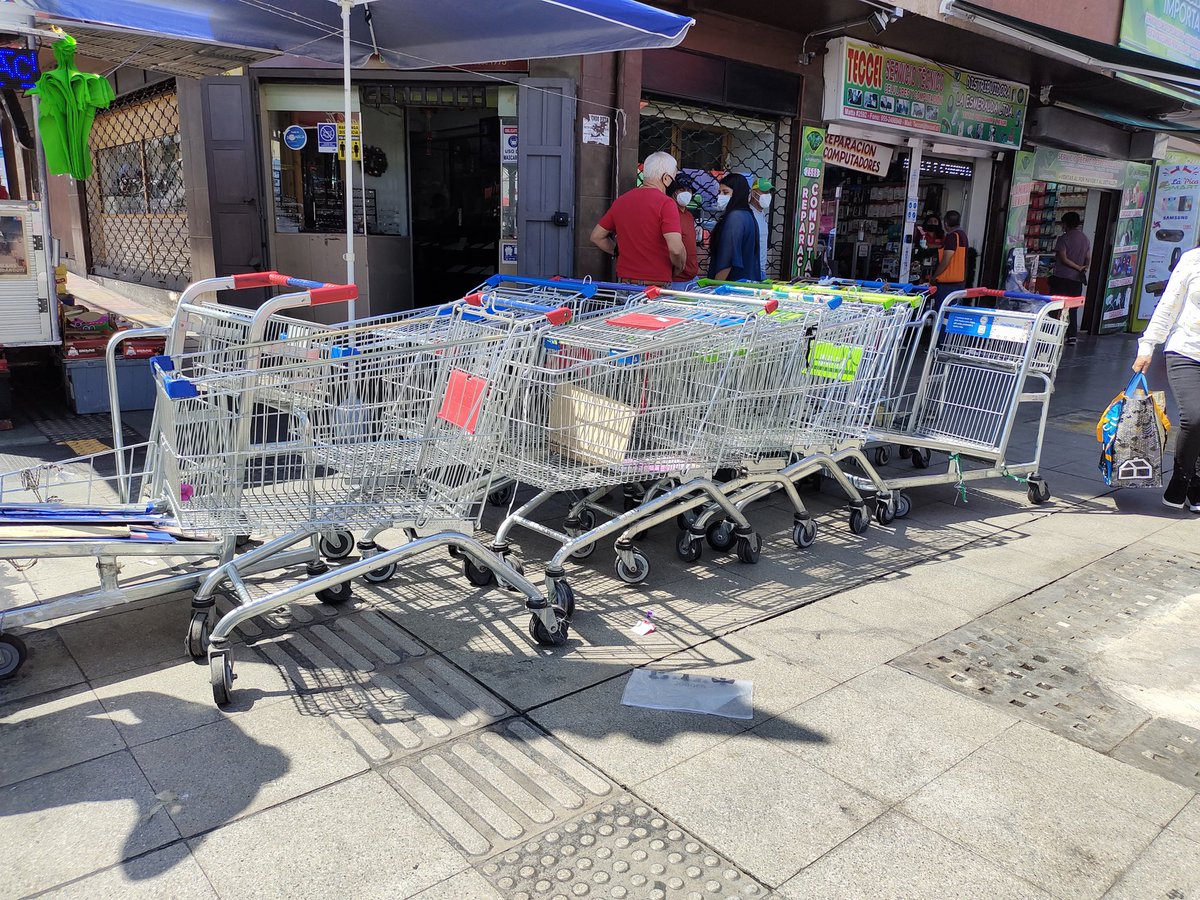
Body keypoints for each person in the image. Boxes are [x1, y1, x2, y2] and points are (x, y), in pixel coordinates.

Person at [1132, 245, 1200, 511]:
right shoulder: (1193, 260)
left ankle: (1197, 483)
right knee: (1195, 417)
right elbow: (1168, 305)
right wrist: (1147, 346)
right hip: (1187, 351)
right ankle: (1181, 479)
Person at [590, 151, 687, 286]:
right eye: (673, 178)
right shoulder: (666, 203)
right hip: (655, 286)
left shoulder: (622, 201)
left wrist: (618, 252)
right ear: (665, 178)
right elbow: (676, 249)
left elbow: (596, 236)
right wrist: (679, 266)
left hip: (624, 284)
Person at [706, 173, 762, 282]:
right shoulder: (748, 215)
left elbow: (727, 259)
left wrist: (715, 287)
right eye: (719, 192)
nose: (721, 196)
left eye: (725, 192)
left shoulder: (735, 217)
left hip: (730, 287)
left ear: (737, 193)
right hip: (744, 285)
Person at [1049, 211, 1090, 345]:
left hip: (1061, 277)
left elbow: (1063, 258)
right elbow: (1088, 257)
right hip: (1076, 280)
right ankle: (1071, 336)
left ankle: (1052, 332)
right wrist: (1083, 267)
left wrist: (1077, 267)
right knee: (1072, 308)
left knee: (1055, 305)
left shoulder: (1063, 239)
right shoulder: (1085, 239)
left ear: (1066, 223)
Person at [667, 174, 699, 289]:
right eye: (681, 189)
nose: (686, 193)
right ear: (673, 191)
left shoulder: (689, 215)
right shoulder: (668, 213)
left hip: (692, 277)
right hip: (676, 279)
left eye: (689, 190)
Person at [931, 209, 968, 297]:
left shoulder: (952, 236)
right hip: (959, 281)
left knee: (942, 309)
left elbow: (946, 260)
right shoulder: (963, 235)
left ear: (946, 223)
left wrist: (934, 276)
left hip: (947, 282)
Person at [750, 177, 773, 281]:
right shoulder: (750, 214)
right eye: (764, 192)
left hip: (761, 270)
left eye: (768, 192)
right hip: (752, 270)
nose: (767, 195)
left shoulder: (761, 213)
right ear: (754, 194)